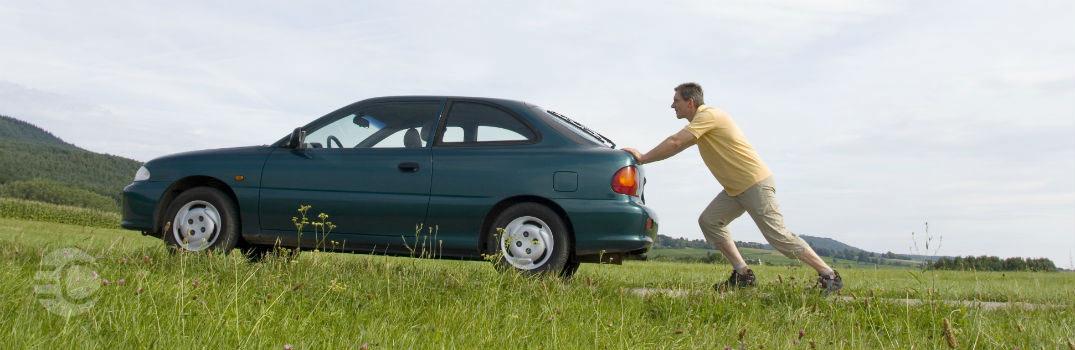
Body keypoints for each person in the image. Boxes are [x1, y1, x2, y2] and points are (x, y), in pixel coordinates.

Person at [622, 82, 843, 295]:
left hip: (754, 183)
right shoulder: (701, 124)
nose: (672, 105)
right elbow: (676, 145)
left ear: (690, 102)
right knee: (710, 221)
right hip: (735, 189)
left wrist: (643, 157)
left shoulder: (708, 115)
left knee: (778, 236)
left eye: (676, 100)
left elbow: (675, 142)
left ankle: (829, 276)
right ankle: (743, 274)